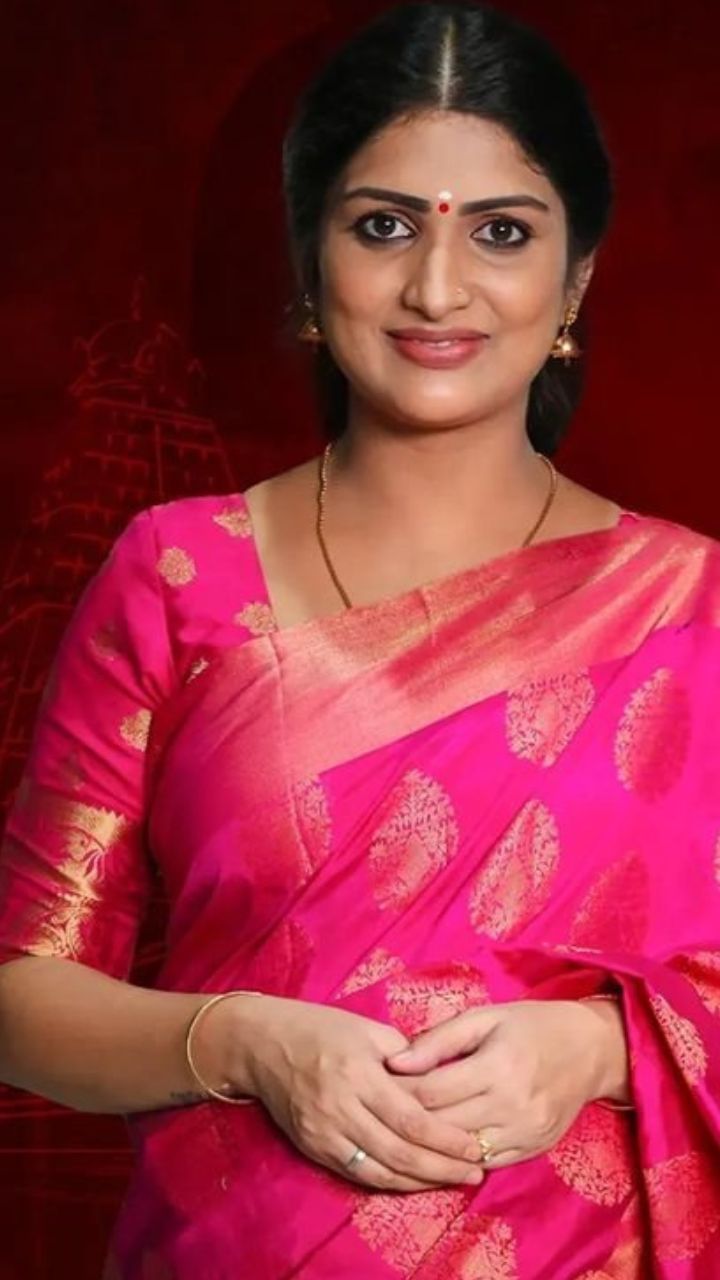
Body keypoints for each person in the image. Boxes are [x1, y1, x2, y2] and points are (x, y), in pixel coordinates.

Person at [1, 2, 719, 1275]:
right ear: (309, 257)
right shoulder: (178, 575)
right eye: (383, 225)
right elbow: (23, 995)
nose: (437, 287)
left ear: (577, 277)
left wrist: (604, 1048)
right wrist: (244, 1042)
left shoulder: (687, 609)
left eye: (502, 232)